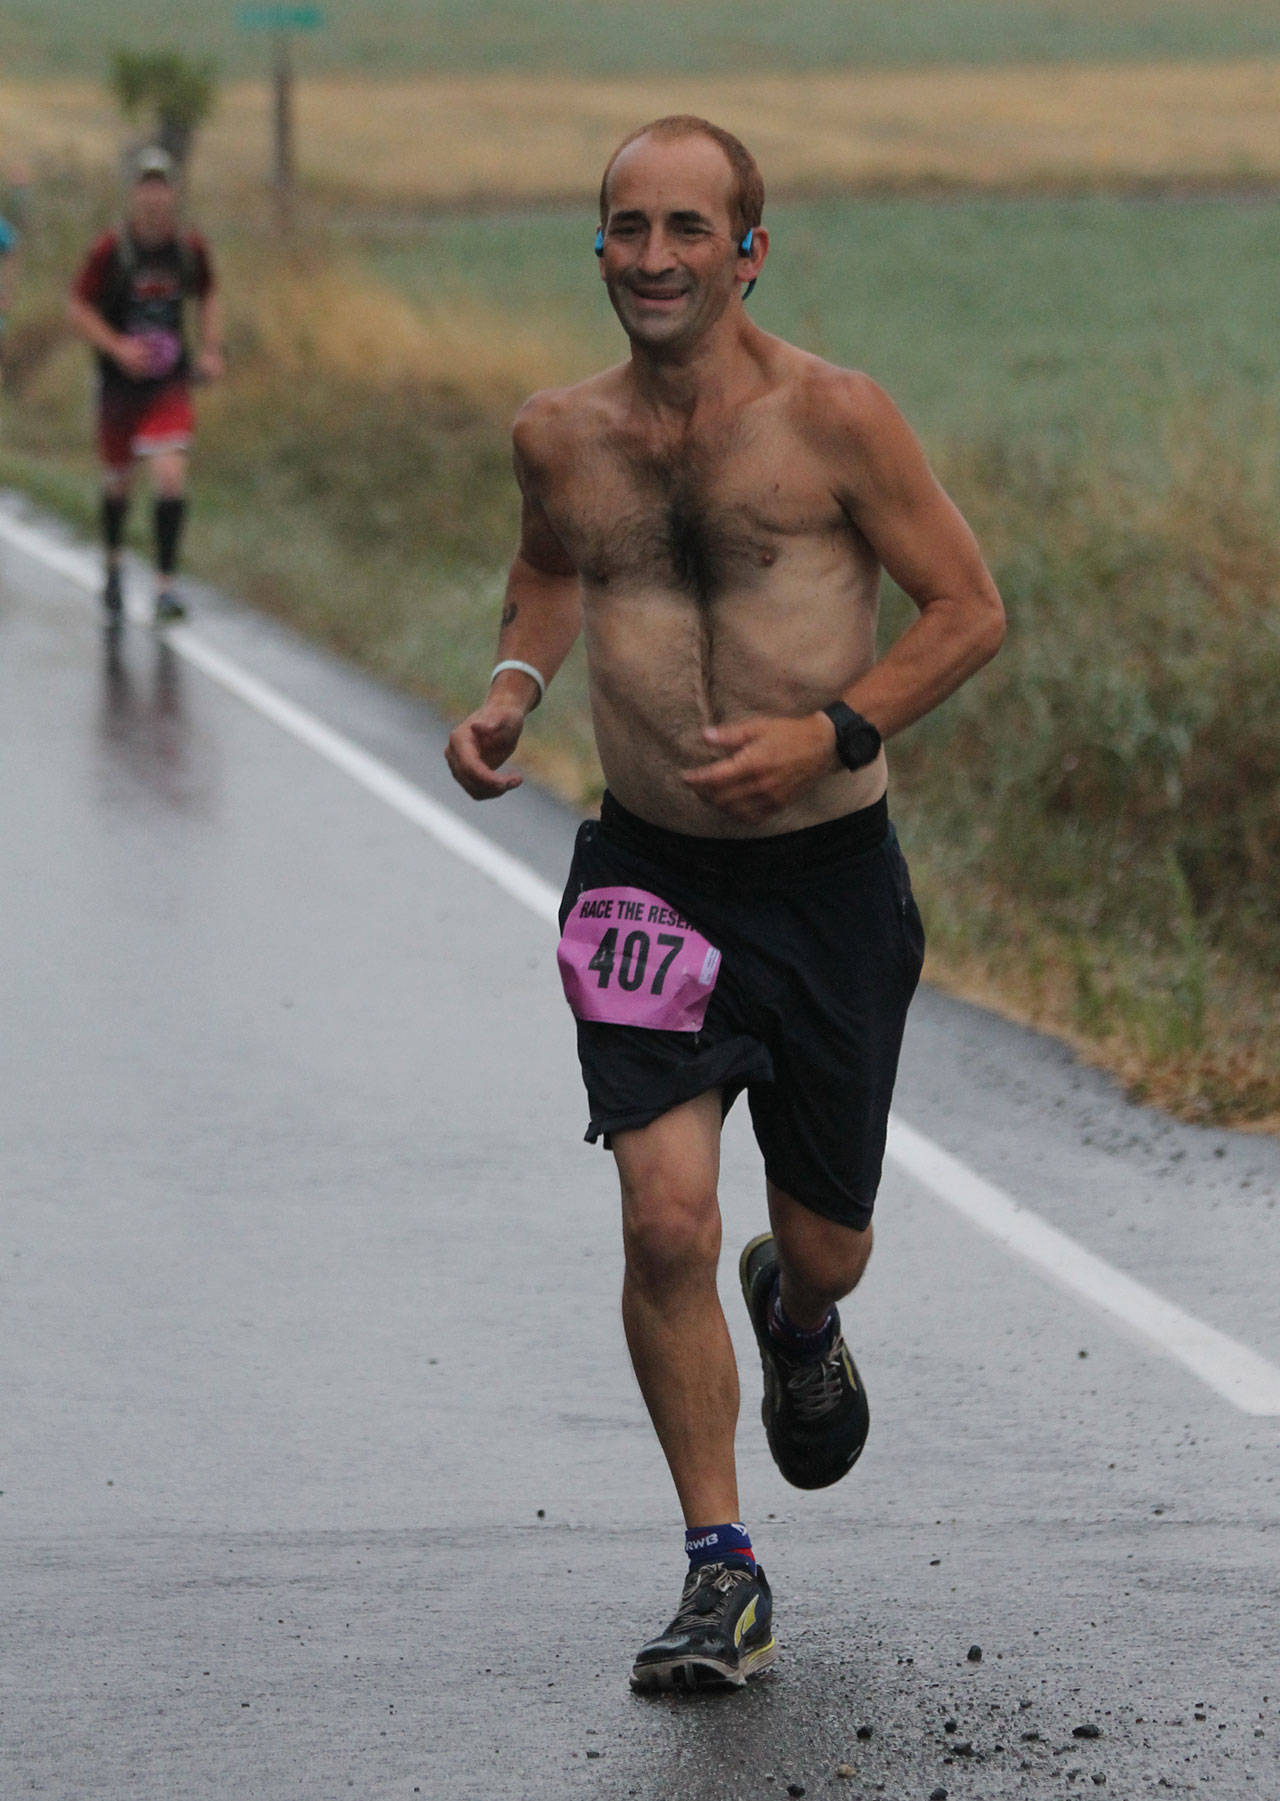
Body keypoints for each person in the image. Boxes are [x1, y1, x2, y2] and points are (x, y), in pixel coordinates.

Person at [445, 115, 1005, 1693]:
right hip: (647, 872)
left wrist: (833, 729)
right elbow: (553, 566)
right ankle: (720, 1567)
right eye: (628, 228)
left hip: (828, 885)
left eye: (690, 228)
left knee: (821, 1240)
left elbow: (970, 609)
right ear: (600, 248)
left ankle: (802, 1314)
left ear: (749, 249)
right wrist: (509, 686)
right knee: (664, 1212)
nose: (654, 258)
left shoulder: (837, 420)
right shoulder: (560, 431)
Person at [67, 147, 223, 623]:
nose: (154, 197)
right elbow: (77, 306)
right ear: (134, 194)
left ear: (174, 193)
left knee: (171, 475)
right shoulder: (112, 250)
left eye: (162, 186)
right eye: (146, 186)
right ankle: (113, 565)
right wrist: (116, 347)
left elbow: (209, 292)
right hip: (119, 387)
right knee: (118, 484)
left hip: (167, 384)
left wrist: (212, 348)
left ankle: (165, 586)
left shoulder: (187, 249)